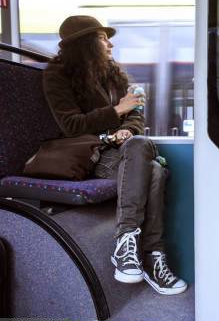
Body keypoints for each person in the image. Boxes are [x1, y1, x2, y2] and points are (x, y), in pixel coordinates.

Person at [43, 15, 187, 295]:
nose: (109, 43)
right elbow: (71, 125)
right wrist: (116, 112)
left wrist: (127, 131)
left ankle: (128, 247)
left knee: (142, 148)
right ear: (85, 44)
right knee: (154, 170)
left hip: (123, 152)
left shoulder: (114, 74)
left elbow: (135, 113)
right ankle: (152, 256)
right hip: (89, 156)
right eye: (102, 38)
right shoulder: (56, 75)